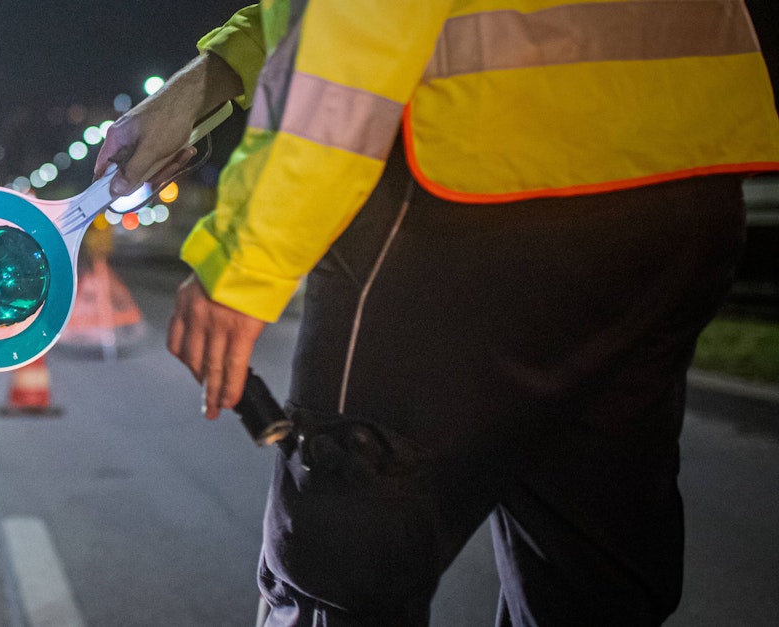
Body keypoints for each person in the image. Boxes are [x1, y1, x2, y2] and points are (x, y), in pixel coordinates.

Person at [95, 1, 779, 625]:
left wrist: (243, 258)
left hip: (461, 195)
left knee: (340, 580)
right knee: (592, 592)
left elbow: (356, 28)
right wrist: (206, 80)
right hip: (677, 191)